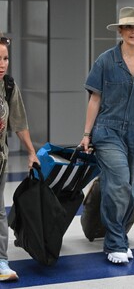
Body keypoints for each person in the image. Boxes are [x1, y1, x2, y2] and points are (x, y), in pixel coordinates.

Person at [80, 7, 134, 264]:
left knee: (129, 189)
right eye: (129, 27)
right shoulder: (106, 60)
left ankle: (115, 234)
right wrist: (87, 134)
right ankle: (116, 242)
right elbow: (94, 99)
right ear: (120, 30)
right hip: (107, 131)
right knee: (118, 181)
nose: (133, 32)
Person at [0, 33, 39, 281]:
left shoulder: (9, 86)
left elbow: (19, 122)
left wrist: (31, 151)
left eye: (5, 58)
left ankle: (1, 262)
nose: (2, 63)